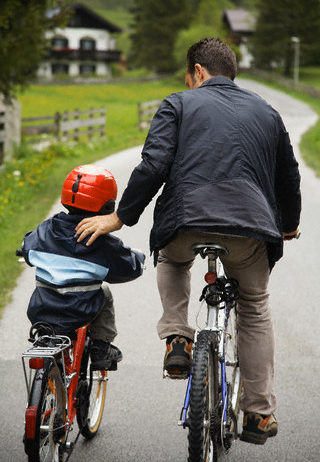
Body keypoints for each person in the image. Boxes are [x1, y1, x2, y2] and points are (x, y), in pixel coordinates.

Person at [75, 38, 301, 444]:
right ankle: (258, 413)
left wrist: (120, 217)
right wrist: (288, 224)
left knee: (174, 261)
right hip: (249, 229)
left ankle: (178, 337)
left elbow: (154, 165)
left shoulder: (177, 104)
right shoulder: (267, 112)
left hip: (185, 222)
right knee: (254, 306)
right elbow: (289, 177)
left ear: (198, 71)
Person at [22, 164, 145, 371]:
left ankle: (45, 339)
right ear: (108, 205)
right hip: (79, 313)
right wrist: (138, 258)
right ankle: (101, 347)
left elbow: (27, 247)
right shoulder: (101, 243)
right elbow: (127, 268)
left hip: (40, 312)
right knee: (104, 293)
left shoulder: (46, 229)